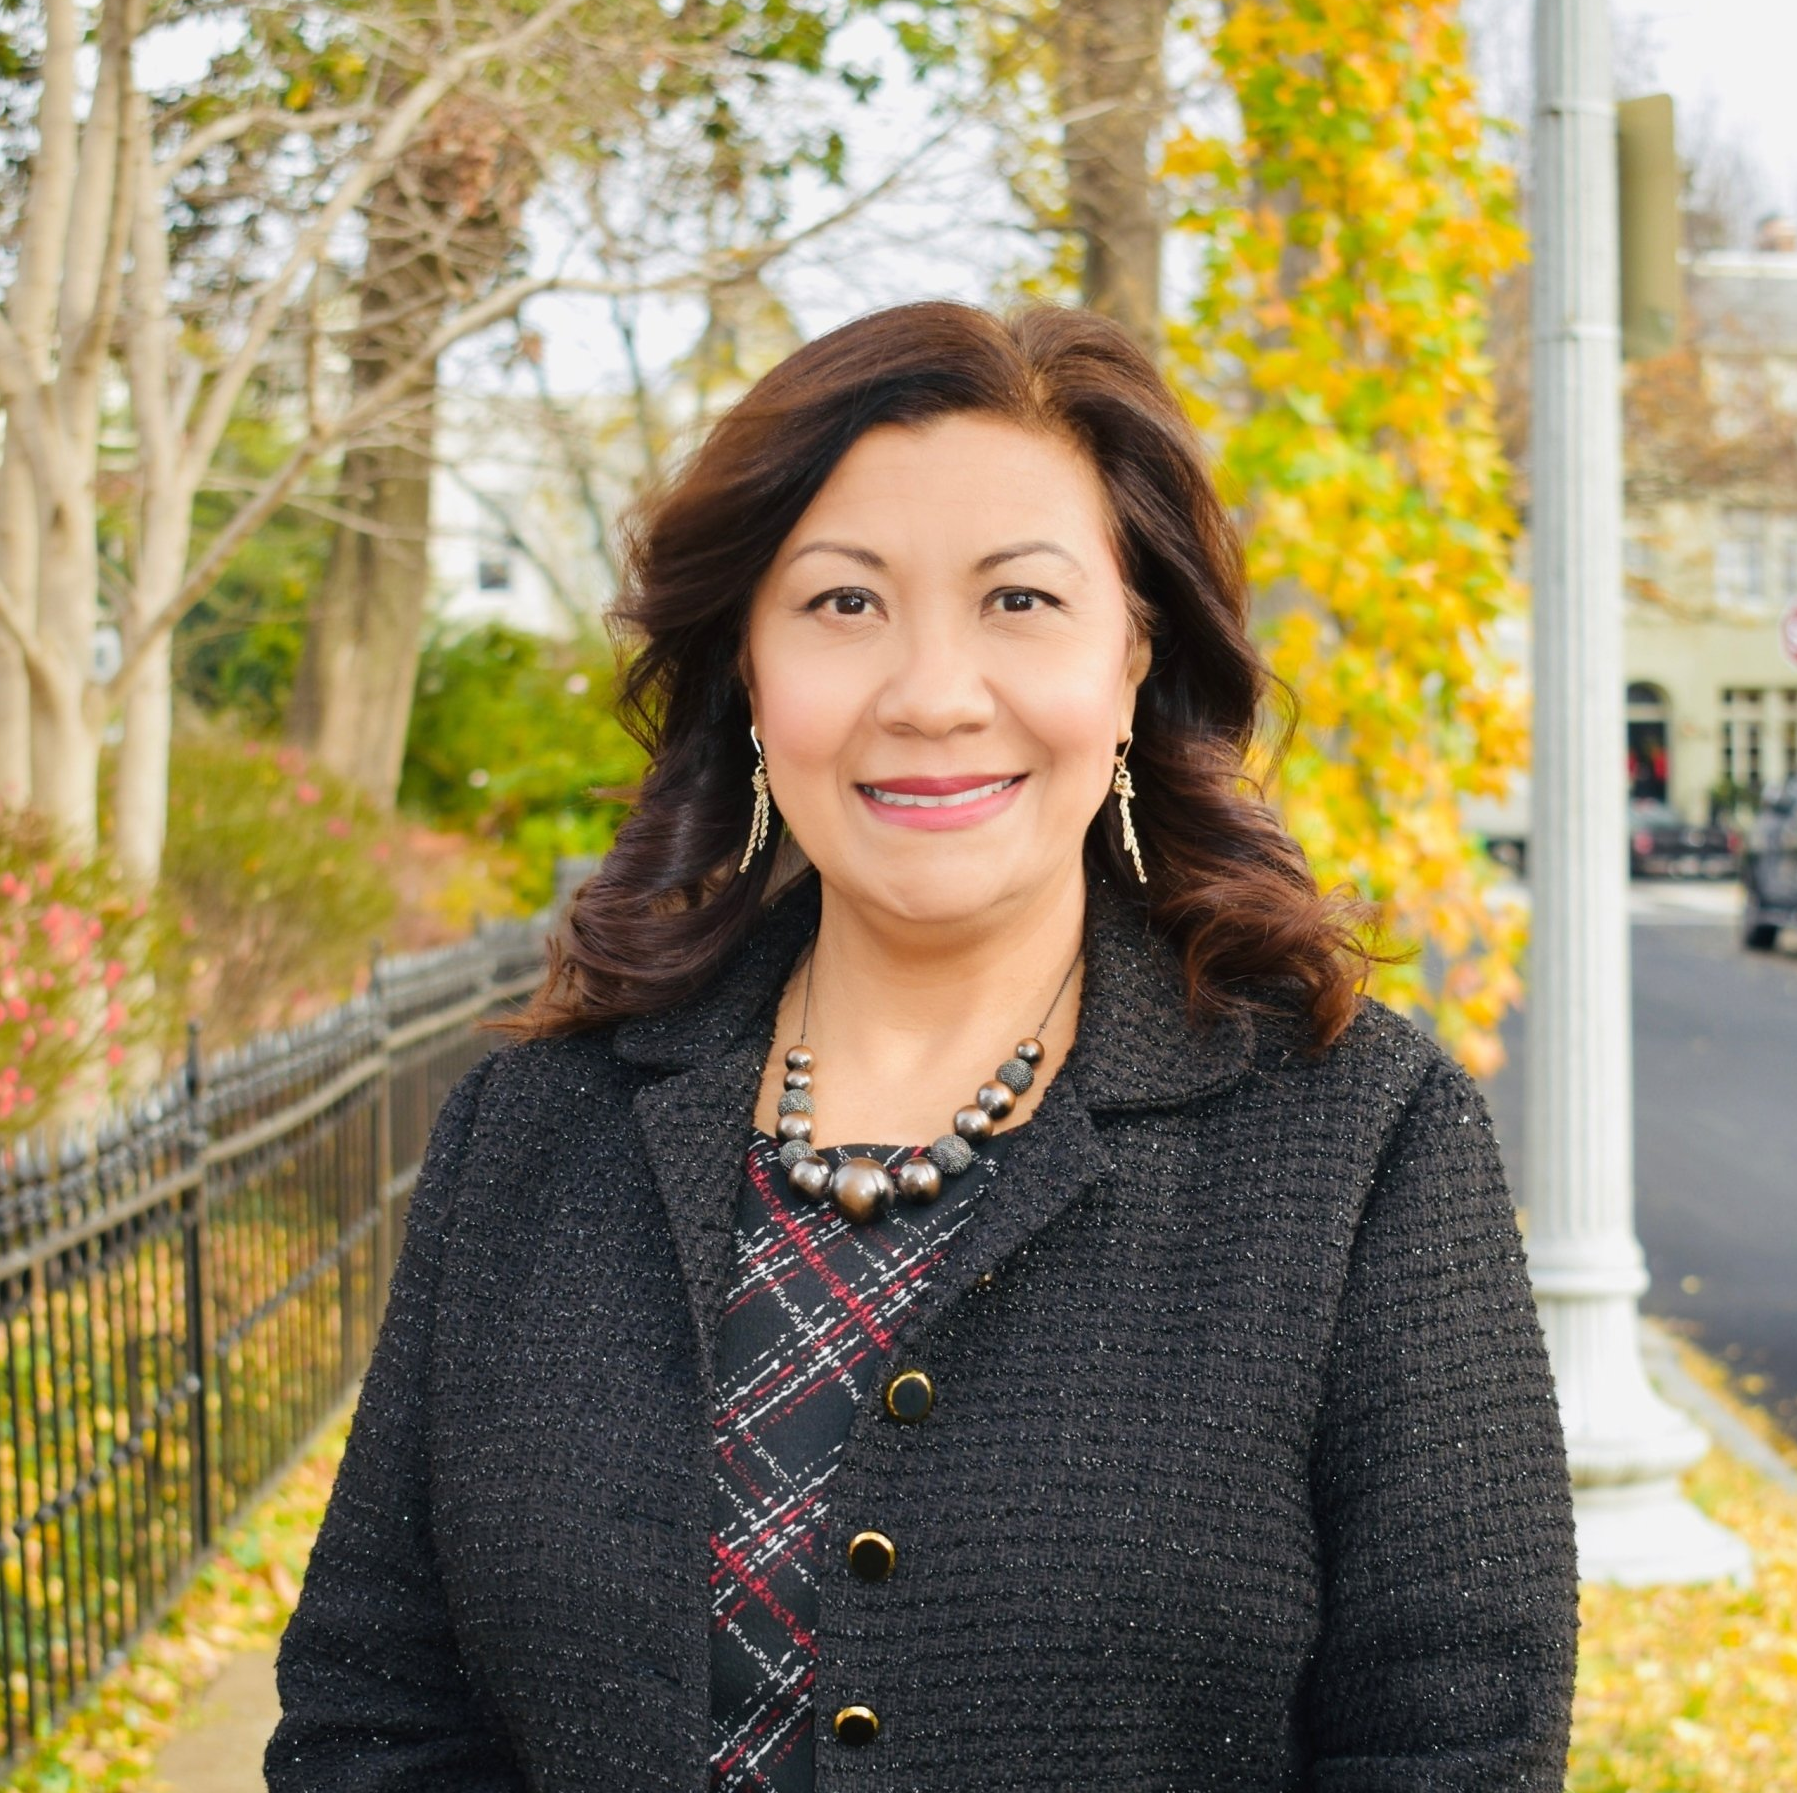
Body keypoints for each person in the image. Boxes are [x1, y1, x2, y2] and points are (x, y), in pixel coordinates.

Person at [267, 299, 1580, 1792]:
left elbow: (1452, 1747)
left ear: (1135, 653)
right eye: (843, 603)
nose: (933, 695)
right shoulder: (532, 1129)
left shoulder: (1361, 1144)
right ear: (748, 675)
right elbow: (373, 1710)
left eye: (1020, 601)